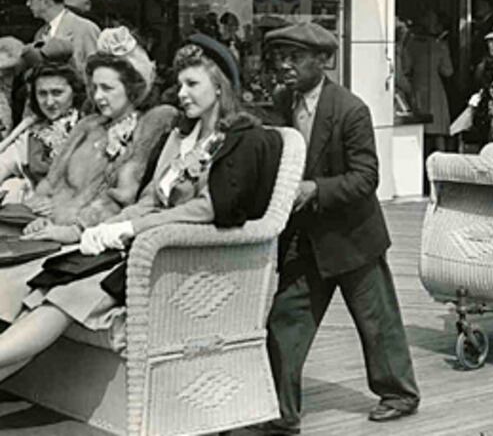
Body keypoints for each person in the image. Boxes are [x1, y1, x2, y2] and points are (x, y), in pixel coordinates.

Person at [0, 34, 282, 384]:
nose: (182, 94)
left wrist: (131, 230)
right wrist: (105, 229)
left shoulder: (243, 138)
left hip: (180, 257)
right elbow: (149, 198)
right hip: (136, 247)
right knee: (48, 283)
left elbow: (210, 209)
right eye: (180, 84)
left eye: (192, 84)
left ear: (220, 86)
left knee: (68, 294)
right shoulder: (179, 136)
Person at [257, 22, 419, 435]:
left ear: (321, 61)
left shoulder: (351, 109)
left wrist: (314, 189)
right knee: (285, 323)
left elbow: (367, 178)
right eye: (281, 57)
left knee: (377, 322)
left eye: (296, 58)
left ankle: (399, 394)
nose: (285, 66)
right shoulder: (281, 102)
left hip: (353, 238)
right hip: (305, 239)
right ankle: (282, 412)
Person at [10, 27, 177, 244]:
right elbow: (52, 183)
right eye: (95, 87)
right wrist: (40, 216)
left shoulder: (149, 125)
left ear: (131, 89)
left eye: (107, 88)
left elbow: (123, 199)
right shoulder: (87, 126)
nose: (98, 96)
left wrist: (77, 229)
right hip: (52, 231)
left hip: (98, 238)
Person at [0, 41, 85, 202]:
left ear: (74, 92)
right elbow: (4, 163)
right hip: (33, 208)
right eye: (42, 94)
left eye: (57, 93)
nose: (49, 102)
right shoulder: (32, 133)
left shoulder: (88, 129)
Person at [21, 0, 101, 73]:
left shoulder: (85, 29)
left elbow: (97, 71)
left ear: (46, 2)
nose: (28, 4)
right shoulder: (40, 35)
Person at [405, 9, 453, 152]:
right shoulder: (440, 45)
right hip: (435, 92)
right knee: (438, 133)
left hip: (417, 88)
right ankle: (441, 168)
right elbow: (448, 71)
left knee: (417, 132)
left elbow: (406, 68)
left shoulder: (411, 44)